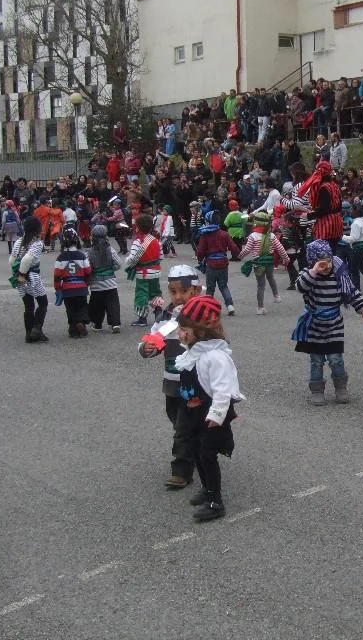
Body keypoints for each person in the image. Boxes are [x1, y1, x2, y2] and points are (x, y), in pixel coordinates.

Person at [173, 295, 245, 522]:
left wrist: (217, 414)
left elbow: (223, 389)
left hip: (211, 415)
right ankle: (206, 489)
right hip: (195, 412)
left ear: (201, 331)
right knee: (196, 451)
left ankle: (216, 500)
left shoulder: (215, 357)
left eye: (184, 330)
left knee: (207, 455)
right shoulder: (194, 353)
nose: (179, 334)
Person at [139, 264, 203, 489]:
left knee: (183, 428)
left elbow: (218, 344)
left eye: (184, 291)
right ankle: (196, 448)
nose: (178, 297)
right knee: (177, 421)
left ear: (196, 290)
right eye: (173, 292)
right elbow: (153, 339)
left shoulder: (202, 316)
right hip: (171, 381)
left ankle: (181, 471)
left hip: (195, 384)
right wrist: (147, 348)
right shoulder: (165, 317)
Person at [292, 239, 363, 405]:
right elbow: (300, 287)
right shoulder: (308, 274)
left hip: (334, 325)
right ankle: (317, 390)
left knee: (336, 358)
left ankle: (341, 387)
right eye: (321, 263)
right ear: (313, 262)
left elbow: (352, 293)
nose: (327, 266)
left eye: (329, 261)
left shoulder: (339, 274)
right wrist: (314, 271)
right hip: (314, 325)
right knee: (316, 361)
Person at [239, 210, 289, 315]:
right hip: (269, 262)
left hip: (258, 263)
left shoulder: (253, 236)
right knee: (271, 277)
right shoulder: (271, 236)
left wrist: (240, 255)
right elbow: (280, 248)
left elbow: (247, 249)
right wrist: (286, 258)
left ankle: (260, 308)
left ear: (256, 222)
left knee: (261, 285)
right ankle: (276, 295)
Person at [10, 217, 49, 343]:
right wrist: (22, 274)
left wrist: (16, 274)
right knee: (43, 302)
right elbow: (27, 259)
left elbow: (12, 259)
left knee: (29, 305)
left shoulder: (19, 241)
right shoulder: (37, 243)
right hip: (31, 276)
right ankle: (37, 329)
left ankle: (28, 333)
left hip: (18, 276)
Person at [124, 214, 162, 327]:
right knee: (156, 292)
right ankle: (158, 312)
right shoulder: (156, 240)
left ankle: (142, 318)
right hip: (155, 272)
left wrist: (127, 261)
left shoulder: (138, 242)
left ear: (139, 227)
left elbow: (132, 259)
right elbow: (161, 257)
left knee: (141, 294)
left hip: (143, 273)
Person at [54, 228, 92, 339]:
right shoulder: (81, 256)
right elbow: (88, 271)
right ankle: (81, 323)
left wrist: (58, 288)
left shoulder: (61, 258)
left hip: (67, 289)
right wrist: (86, 283)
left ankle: (73, 330)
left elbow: (57, 275)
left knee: (70, 310)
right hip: (81, 287)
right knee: (82, 307)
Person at [87, 224, 123, 332]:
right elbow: (119, 263)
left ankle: (97, 325)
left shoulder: (89, 252)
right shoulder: (110, 249)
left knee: (97, 305)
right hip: (111, 283)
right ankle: (115, 324)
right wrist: (111, 269)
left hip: (96, 284)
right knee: (113, 304)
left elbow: (87, 268)